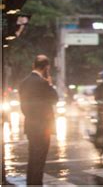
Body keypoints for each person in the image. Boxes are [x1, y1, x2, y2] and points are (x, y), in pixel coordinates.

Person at [19, 55, 58, 185]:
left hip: (31, 125)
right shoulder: (43, 83)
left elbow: (23, 107)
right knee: (40, 159)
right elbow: (54, 99)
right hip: (43, 126)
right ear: (46, 67)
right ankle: (36, 183)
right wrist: (50, 84)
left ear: (33, 65)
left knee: (32, 157)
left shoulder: (24, 82)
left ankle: (31, 183)